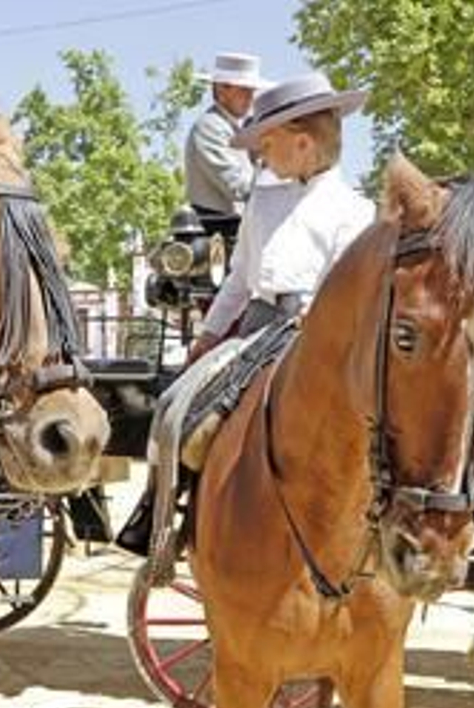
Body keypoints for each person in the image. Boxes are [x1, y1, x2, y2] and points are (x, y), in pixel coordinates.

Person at [116, 72, 374, 556]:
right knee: (178, 405)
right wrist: (210, 336)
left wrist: (314, 324)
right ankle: (160, 513)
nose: (260, 154)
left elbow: (345, 289)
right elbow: (238, 279)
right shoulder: (264, 201)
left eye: (267, 143)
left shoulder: (355, 211)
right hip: (258, 327)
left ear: (301, 144)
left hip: (319, 338)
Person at [184, 52, 268, 244]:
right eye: (244, 90)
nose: (250, 98)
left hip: (233, 232)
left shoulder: (232, 127)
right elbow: (239, 188)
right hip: (214, 236)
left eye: (251, 91)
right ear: (221, 90)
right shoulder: (210, 127)